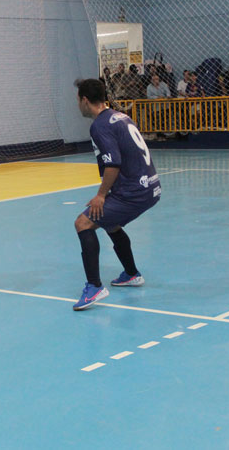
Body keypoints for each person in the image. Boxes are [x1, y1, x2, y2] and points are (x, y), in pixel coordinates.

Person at [72, 79, 161, 310]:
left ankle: (94, 287)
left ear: (84, 100)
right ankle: (131, 274)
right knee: (110, 223)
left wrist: (101, 195)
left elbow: (113, 164)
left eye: (77, 100)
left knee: (83, 223)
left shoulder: (100, 125)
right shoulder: (119, 116)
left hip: (134, 191)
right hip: (149, 186)